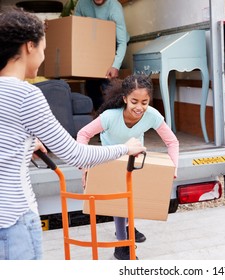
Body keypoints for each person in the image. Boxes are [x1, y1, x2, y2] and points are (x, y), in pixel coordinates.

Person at [0, 8, 146, 260]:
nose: (45, 56)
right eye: (44, 48)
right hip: (14, 220)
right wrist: (126, 148)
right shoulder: (26, 95)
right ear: (29, 46)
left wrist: (24, 143)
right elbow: (76, 155)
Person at [77, 74, 179, 260]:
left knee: (131, 198)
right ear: (124, 98)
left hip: (134, 159)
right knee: (119, 202)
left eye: (144, 102)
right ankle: (122, 246)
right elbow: (83, 134)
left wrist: (174, 167)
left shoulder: (152, 116)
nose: (139, 107)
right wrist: (84, 166)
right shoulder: (109, 117)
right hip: (111, 160)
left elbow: (172, 142)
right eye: (134, 101)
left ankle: (124, 227)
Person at [74, 0, 130, 111]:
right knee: (91, 84)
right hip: (94, 43)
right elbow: (75, 27)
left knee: (107, 82)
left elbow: (122, 42)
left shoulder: (114, 7)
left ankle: (113, 116)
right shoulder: (82, 4)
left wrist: (115, 66)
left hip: (113, 43)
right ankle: (101, 115)